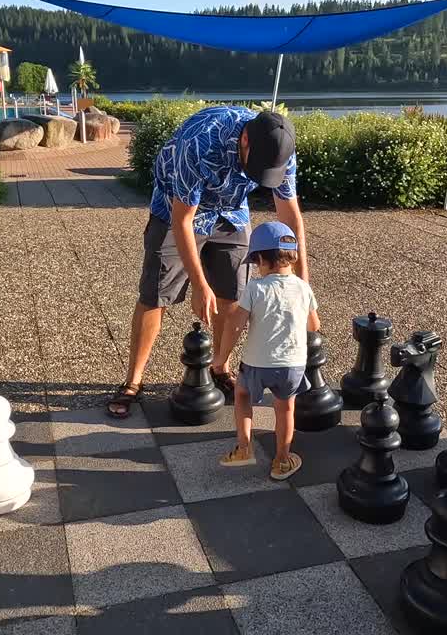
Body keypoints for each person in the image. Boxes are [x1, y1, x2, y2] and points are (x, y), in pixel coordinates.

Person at [106, 106, 312, 418]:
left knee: (233, 293)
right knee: (155, 296)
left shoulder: (281, 151)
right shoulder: (200, 143)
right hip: (176, 210)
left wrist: (302, 287)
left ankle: (220, 366)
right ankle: (133, 381)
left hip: (231, 211)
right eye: (254, 165)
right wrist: (200, 284)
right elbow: (183, 219)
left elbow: (290, 217)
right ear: (245, 140)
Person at [217, 221, 319, 479]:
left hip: (256, 362)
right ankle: (282, 460)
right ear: (292, 257)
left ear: (260, 259)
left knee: (241, 395)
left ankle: (244, 448)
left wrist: (222, 358)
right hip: (292, 364)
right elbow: (314, 325)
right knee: (285, 408)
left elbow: (235, 325)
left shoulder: (256, 288)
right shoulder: (303, 287)